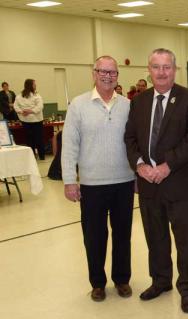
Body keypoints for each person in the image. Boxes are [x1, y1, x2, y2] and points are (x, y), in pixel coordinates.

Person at [125, 48, 188, 313]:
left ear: (175, 69)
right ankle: (160, 281)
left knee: (185, 241)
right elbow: (130, 139)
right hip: (148, 183)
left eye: (167, 67)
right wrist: (139, 165)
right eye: (156, 67)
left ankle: (187, 288)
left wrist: (167, 165)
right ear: (148, 70)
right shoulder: (138, 102)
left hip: (179, 182)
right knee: (155, 237)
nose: (161, 72)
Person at [61, 56, 135, 302]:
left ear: (117, 76)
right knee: (94, 237)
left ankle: (122, 279)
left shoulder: (127, 105)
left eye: (112, 72)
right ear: (94, 73)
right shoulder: (79, 105)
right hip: (91, 185)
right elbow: (69, 145)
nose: (107, 76)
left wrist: (137, 174)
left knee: (123, 234)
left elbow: (135, 144)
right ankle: (98, 283)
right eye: (102, 71)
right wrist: (70, 180)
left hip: (124, 181)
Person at [13, 79, 45, 159]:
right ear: (30, 86)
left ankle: (32, 157)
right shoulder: (36, 95)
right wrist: (30, 111)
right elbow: (40, 106)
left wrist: (22, 112)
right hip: (36, 121)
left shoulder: (19, 95)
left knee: (29, 139)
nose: (35, 86)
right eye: (34, 84)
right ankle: (41, 156)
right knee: (38, 139)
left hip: (25, 121)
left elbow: (15, 106)